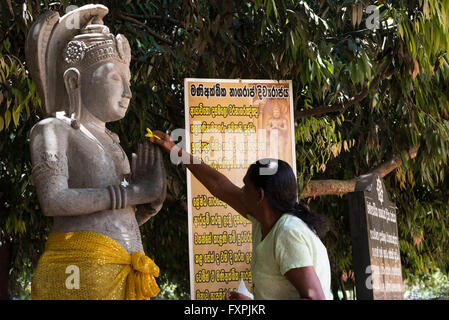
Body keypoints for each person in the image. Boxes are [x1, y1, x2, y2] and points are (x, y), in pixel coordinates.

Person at [27, 5, 166, 300]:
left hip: (122, 265)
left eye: (128, 80)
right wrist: (134, 194)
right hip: (78, 270)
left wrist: (147, 205)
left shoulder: (112, 141)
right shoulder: (53, 129)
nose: (127, 92)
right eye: (116, 79)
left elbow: (106, 217)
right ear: (74, 81)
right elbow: (53, 200)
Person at [149, 131, 333, 300]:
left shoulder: (287, 232)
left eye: (245, 187)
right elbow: (219, 185)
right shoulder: (265, 221)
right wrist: (175, 150)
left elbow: (314, 297)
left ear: (260, 196)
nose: (241, 191)